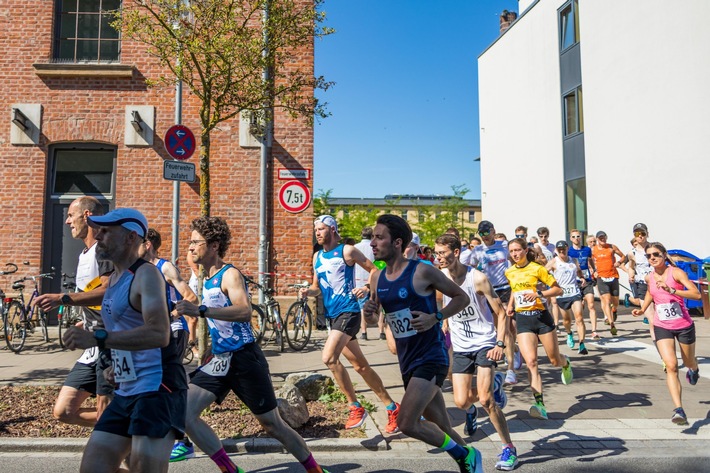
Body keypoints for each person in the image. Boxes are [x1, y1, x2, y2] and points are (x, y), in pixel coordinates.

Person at [174, 216, 330, 473]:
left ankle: (315, 470)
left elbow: (244, 312)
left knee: (273, 425)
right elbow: (221, 322)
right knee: (183, 412)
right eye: (190, 242)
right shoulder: (207, 278)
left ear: (213, 246)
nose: (190, 247)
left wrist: (200, 310)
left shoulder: (230, 274)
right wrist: (212, 349)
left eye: (195, 242)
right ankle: (230, 470)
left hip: (245, 360)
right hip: (221, 360)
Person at [62, 208, 187, 473]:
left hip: (158, 387)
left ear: (131, 237)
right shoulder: (116, 279)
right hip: (126, 387)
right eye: (99, 230)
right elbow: (129, 328)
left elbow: (158, 333)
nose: (99, 236)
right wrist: (118, 365)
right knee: (93, 468)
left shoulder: (146, 275)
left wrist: (97, 337)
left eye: (107, 231)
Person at [363, 214, 482, 473]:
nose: (372, 242)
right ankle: (471, 461)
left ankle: (464, 454)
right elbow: (374, 318)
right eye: (372, 236)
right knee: (442, 426)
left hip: (431, 357)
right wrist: (369, 312)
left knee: (407, 422)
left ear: (396, 242)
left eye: (378, 237)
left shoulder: (421, 271)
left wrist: (436, 317)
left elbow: (461, 298)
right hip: (407, 361)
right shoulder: (376, 278)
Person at [300, 215, 400, 433]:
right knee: (361, 367)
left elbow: (375, 270)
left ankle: (355, 407)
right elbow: (317, 286)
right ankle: (393, 407)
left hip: (350, 312)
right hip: (333, 316)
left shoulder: (347, 251)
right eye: (316, 229)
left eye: (322, 228)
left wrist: (365, 287)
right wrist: (309, 291)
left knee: (328, 358)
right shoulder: (317, 256)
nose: (317, 232)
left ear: (333, 230)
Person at [435, 234, 519, 471]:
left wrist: (499, 345)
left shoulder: (478, 278)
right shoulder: (440, 277)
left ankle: (508, 449)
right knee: (461, 402)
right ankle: (494, 386)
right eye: (436, 253)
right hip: (461, 346)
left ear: (456, 252)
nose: (438, 257)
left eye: (442, 253)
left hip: (484, 342)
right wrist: (444, 323)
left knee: (486, 400)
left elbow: (500, 313)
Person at [34, 196, 114, 428]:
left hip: (108, 342)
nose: (68, 221)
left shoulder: (103, 250)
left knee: (106, 414)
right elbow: (92, 300)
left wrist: (63, 299)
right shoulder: (84, 253)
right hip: (90, 344)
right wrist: (83, 321)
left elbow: (108, 290)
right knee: (64, 411)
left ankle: (117, 431)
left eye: (71, 215)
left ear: (87, 216)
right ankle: (121, 422)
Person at [138, 228, 200, 463]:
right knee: (159, 382)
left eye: (138, 243)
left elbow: (190, 297)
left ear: (148, 244)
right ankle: (170, 434)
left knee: (168, 383)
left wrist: (171, 315)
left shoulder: (164, 267)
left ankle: (183, 440)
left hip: (173, 332)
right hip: (156, 333)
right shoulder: (141, 269)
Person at [631, 242, 701, 425]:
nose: (652, 258)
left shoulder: (676, 273)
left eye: (656, 254)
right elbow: (650, 294)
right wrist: (642, 308)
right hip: (662, 325)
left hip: (684, 324)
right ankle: (679, 410)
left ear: (664, 255)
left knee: (688, 361)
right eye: (648, 256)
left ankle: (694, 369)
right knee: (671, 366)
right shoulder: (649, 277)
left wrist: (673, 290)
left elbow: (696, 294)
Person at [505, 238, 573, 420]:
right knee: (531, 362)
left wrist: (538, 294)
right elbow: (514, 289)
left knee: (553, 360)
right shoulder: (509, 271)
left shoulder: (537, 269)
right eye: (511, 251)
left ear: (525, 250)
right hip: (523, 319)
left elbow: (558, 290)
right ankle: (539, 404)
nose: (515, 254)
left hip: (541, 317)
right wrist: (510, 305)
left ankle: (565, 362)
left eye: (518, 250)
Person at [469, 220, 521, 386]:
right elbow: (470, 271)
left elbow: (516, 262)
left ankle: (512, 365)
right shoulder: (477, 251)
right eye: (481, 234)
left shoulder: (504, 246)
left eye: (486, 233)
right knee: (502, 330)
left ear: (493, 231)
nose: (484, 237)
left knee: (509, 328)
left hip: (507, 288)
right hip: (490, 291)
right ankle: (513, 357)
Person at [546, 241, 588, 355]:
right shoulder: (554, 261)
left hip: (574, 292)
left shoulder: (573, 260)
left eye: (563, 249)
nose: (561, 251)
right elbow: (543, 273)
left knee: (579, 317)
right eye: (559, 249)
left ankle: (582, 344)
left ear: (567, 248)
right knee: (566, 320)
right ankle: (569, 333)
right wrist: (551, 283)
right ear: (556, 250)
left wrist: (582, 278)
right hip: (562, 294)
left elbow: (579, 271)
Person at [591, 231, 625, 336]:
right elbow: (589, 261)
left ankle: (614, 310)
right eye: (600, 238)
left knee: (615, 302)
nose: (603, 239)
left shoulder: (612, 247)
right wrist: (593, 271)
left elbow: (623, 256)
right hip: (601, 277)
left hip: (613, 276)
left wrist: (618, 262)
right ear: (597, 239)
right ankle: (611, 323)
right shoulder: (593, 250)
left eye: (604, 237)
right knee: (606, 300)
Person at [568, 230, 599, 340]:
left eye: (578, 236)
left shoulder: (587, 250)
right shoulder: (569, 251)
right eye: (574, 236)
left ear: (581, 238)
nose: (576, 238)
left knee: (591, 304)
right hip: (575, 283)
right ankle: (577, 328)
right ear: (571, 238)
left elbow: (590, 261)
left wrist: (594, 270)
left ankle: (594, 331)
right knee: (579, 310)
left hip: (587, 280)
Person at [356, 226, 385, 341]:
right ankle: (381, 332)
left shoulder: (355, 248)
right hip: (375, 279)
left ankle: (364, 332)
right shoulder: (375, 246)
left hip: (359, 280)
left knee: (363, 308)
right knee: (379, 306)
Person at [624, 223, 654, 320]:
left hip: (657, 283)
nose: (640, 236)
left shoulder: (655, 249)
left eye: (643, 233)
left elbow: (668, 260)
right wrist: (631, 275)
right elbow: (631, 267)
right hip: (643, 285)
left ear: (647, 234)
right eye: (637, 234)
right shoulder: (632, 253)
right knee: (651, 317)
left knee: (660, 316)